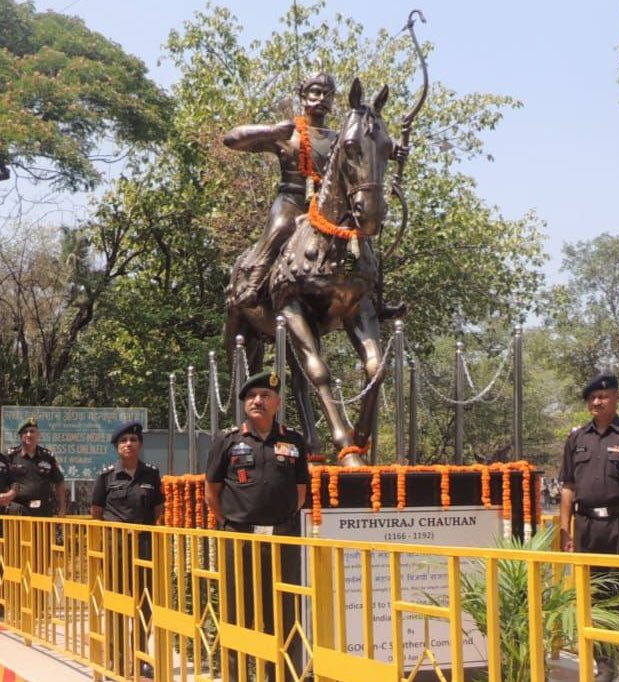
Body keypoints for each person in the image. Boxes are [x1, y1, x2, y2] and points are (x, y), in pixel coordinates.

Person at [205, 370, 309, 681]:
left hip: (282, 538)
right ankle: (237, 676)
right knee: (239, 610)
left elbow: (300, 490)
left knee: (284, 609)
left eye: (265, 396)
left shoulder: (293, 440)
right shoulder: (228, 440)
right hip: (239, 537)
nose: (257, 401)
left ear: (277, 403)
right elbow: (211, 491)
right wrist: (229, 524)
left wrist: (283, 521)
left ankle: (281, 675)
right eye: (251, 397)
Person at [559, 373, 619, 682]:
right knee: (594, 601)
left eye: (603, 396)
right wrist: (566, 531)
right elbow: (568, 486)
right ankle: (604, 669)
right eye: (591, 398)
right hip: (587, 527)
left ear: (618, 397)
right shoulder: (576, 438)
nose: (596, 402)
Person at [224, 69, 338, 307]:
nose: (321, 99)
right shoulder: (288, 133)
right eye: (315, 92)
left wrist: (393, 150)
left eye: (327, 95)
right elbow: (231, 139)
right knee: (281, 226)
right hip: (292, 200)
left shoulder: (337, 139)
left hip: (325, 206)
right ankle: (252, 283)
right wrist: (271, 131)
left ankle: (368, 296)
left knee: (357, 237)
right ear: (303, 96)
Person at [91, 420, 164, 681]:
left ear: (140, 444)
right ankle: (118, 660)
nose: (128, 444)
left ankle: (142, 657)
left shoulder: (152, 474)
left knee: (144, 603)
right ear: (116, 447)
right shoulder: (106, 476)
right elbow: (96, 512)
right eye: (123, 441)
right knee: (118, 604)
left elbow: (158, 509)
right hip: (116, 547)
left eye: (133, 440)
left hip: (145, 545)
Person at [0, 417, 66, 517]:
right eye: (25, 432)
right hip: (18, 511)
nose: (29, 435)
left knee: (45, 533)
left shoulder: (48, 456)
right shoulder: (9, 456)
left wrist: (62, 508)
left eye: (32, 431)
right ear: (20, 436)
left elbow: (59, 482)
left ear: (38, 434)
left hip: (44, 510)